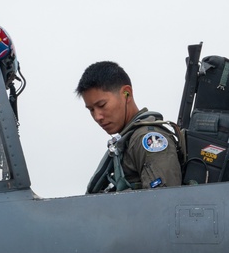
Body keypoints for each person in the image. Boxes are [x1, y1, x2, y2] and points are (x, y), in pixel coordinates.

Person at [76, 60, 183, 190]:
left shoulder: (148, 139)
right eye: (91, 110)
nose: (97, 117)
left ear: (127, 94)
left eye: (102, 105)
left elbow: (164, 202)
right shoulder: (125, 143)